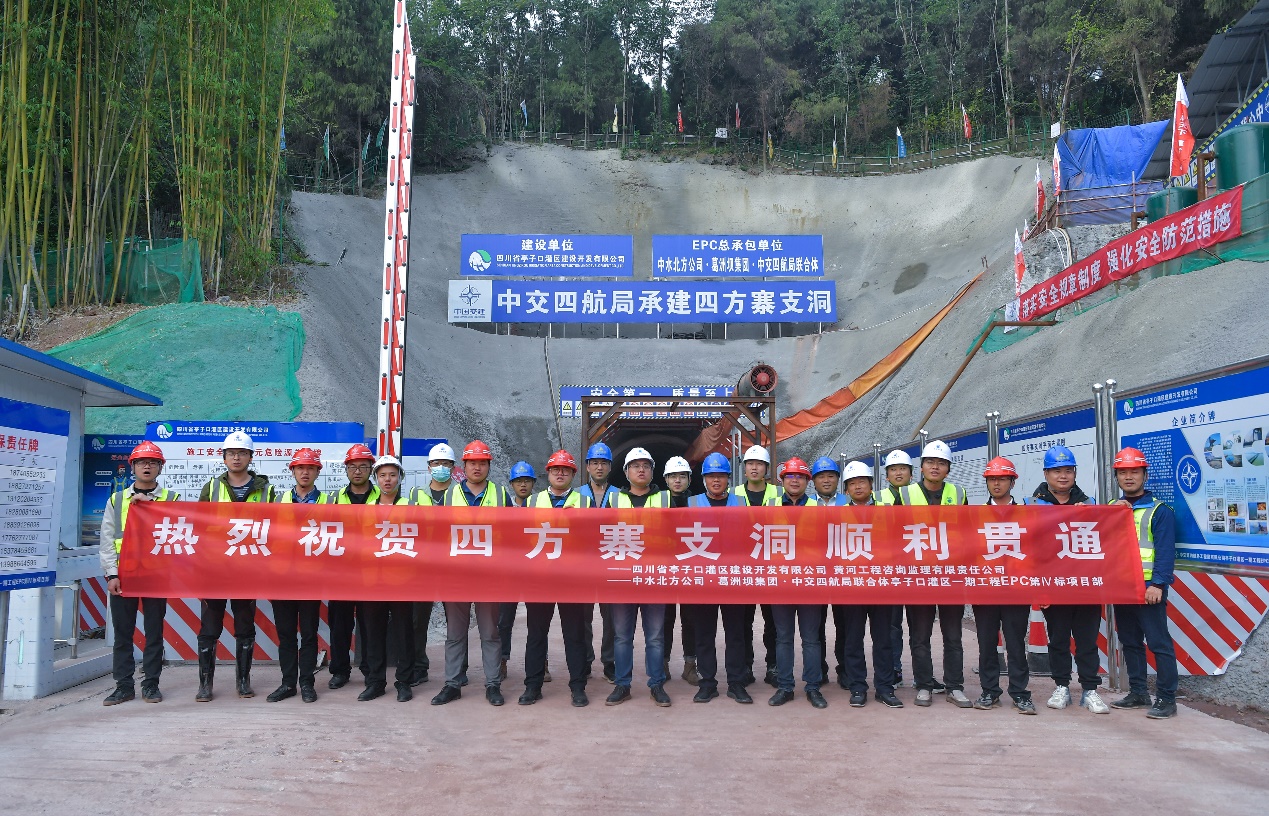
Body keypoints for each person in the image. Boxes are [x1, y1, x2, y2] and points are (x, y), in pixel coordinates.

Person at [195, 431, 276, 702]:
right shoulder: (211, 488)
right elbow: (199, 527)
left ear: (250, 457)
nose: (236, 457)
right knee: (209, 628)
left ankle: (243, 681)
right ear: (224, 458)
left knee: (245, 626)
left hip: (248, 570)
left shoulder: (267, 490)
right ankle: (205, 684)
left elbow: (276, 529)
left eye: (242, 453)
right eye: (231, 453)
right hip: (215, 570)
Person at [432, 440, 513, 707]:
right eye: (472, 463)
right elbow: (438, 536)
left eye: (482, 463)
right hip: (457, 576)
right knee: (455, 633)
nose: (477, 467)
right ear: (463, 466)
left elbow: (512, 535)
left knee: (490, 632)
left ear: (488, 466)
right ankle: (452, 684)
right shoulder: (448, 497)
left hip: (489, 576)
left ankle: (492, 684)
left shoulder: (501, 495)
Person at [99, 441, 181, 705]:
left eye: (153, 462)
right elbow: (107, 540)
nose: (147, 466)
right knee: (123, 634)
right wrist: (112, 575)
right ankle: (123, 686)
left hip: (156, 575)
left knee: (154, 632)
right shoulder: (117, 499)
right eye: (142, 462)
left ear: (160, 467)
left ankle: (151, 684)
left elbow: (180, 536)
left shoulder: (173, 499)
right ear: (132, 467)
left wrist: (151, 506)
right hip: (124, 576)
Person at [1030, 445, 1108, 714]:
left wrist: (1116, 510)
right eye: (1056, 471)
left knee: (1087, 640)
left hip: (1084, 585)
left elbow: (1105, 540)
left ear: (1074, 473)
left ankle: (1090, 689)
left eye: (1068, 470)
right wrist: (1039, 589)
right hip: (1053, 587)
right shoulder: (1032, 506)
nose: (1062, 476)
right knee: (1059, 639)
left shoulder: (1089, 504)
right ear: (1046, 474)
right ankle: (1061, 686)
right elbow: (1029, 550)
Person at [897, 439, 972, 709]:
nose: (935, 467)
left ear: (948, 468)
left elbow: (967, 532)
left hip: (950, 576)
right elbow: (894, 533)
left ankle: (955, 686)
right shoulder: (904, 495)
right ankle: (924, 685)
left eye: (941, 463)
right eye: (930, 462)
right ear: (921, 467)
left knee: (953, 636)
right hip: (918, 576)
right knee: (920, 636)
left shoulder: (959, 493)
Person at [1109, 447, 1180, 719]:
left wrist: (1158, 584)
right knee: (1130, 641)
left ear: (1144, 475)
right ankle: (1139, 692)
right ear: (1116, 477)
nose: (1129, 477)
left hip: (1149, 586)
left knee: (1158, 642)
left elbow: (1165, 551)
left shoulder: (1160, 511)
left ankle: (1166, 698)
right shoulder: (1112, 508)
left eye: (1134, 472)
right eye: (1123, 472)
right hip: (1122, 586)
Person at [519, 450, 593, 707]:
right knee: (536, 635)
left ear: (573, 474)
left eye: (565, 470)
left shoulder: (585, 503)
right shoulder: (532, 502)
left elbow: (593, 539)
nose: (560, 473)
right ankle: (533, 686)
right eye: (555, 469)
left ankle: (578, 687)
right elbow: (519, 538)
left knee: (575, 635)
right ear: (548, 473)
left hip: (572, 579)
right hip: (539, 579)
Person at [606, 447, 672, 707]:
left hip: (654, 578)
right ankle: (622, 684)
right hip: (623, 579)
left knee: (655, 637)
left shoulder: (666, 498)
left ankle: (656, 684)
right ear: (626, 472)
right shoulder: (613, 500)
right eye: (635, 465)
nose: (641, 469)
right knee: (622, 637)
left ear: (653, 471)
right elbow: (599, 534)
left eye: (646, 465)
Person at [835, 461, 903, 709]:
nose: (858, 487)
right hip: (852, 586)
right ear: (846, 489)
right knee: (853, 639)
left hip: (881, 585)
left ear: (871, 484)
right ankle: (857, 687)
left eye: (862, 482)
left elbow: (898, 542)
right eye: (852, 483)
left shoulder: (887, 510)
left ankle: (885, 688)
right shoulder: (838, 513)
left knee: (883, 639)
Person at [686, 452, 751, 705]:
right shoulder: (692, 504)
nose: (716, 480)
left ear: (728, 479)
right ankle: (707, 684)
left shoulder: (741, 503)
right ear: (704, 479)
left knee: (736, 634)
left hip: (732, 579)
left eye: (721, 476)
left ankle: (736, 683)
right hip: (703, 581)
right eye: (711, 476)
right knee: (704, 634)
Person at [971, 457, 1035, 714]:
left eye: (1002, 479)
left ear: (1012, 482)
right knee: (987, 643)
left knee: (1016, 643)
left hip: (1016, 589)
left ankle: (1020, 693)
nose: (996, 484)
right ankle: (989, 691)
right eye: (992, 479)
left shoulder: (1026, 513)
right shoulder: (975, 515)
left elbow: (1036, 549)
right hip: (985, 589)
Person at [267, 448, 329, 704]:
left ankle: (307, 683)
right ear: (292, 471)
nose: (305, 472)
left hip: (310, 578)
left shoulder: (329, 502)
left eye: (310, 468)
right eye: (300, 468)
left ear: (317, 472)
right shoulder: (277, 501)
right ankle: (287, 683)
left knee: (309, 634)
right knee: (286, 634)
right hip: (282, 578)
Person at [768, 458, 828, 708]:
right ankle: (785, 687)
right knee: (783, 638)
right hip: (781, 582)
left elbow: (827, 543)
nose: (795, 480)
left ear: (807, 481)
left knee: (811, 639)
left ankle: (813, 687)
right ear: (782, 481)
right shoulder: (770, 506)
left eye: (800, 477)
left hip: (809, 583)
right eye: (790, 476)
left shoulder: (818, 507)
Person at [358, 455, 415, 702]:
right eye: (382, 475)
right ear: (376, 479)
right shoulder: (366, 510)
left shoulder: (409, 507)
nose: (387, 480)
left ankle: (404, 681)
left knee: (404, 632)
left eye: (392, 475)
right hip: (373, 581)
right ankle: (376, 681)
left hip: (402, 581)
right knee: (373, 632)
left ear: (399, 478)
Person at [406, 442, 457, 688]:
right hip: (423, 568)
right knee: (418, 621)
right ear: (429, 467)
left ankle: (458, 670)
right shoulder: (415, 495)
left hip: (452, 566)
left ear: (453, 468)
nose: (441, 468)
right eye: (437, 463)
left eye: (446, 464)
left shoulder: (461, 495)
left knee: (456, 622)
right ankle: (419, 667)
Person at [327, 443, 378, 691]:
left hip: (371, 572)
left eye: (363, 467)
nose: (357, 471)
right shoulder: (334, 499)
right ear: (346, 470)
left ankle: (370, 669)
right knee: (340, 625)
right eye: (352, 467)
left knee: (370, 625)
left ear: (371, 469)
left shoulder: (382, 499)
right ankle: (339, 670)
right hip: (342, 573)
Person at [734, 445, 781, 687]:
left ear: (766, 468)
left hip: (771, 567)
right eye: (750, 464)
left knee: (773, 622)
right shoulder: (733, 494)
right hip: (743, 568)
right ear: (744, 469)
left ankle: (774, 667)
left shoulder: (779, 494)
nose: (754, 468)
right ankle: (745, 667)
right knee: (743, 622)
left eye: (759, 464)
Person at [578, 442, 620, 683]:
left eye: (603, 463)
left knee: (611, 618)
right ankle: (585, 660)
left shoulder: (620, 496)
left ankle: (609, 662)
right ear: (587, 466)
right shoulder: (576, 495)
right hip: (584, 567)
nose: (599, 467)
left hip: (609, 565)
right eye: (595, 463)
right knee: (582, 617)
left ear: (610, 467)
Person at [810, 456, 847, 684]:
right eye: (821, 476)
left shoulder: (848, 502)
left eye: (830, 476)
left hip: (843, 574)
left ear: (838, 479)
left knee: (844, 625)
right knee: (816, 626)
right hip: (816, 574)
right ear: (813, 481)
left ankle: (844, 670)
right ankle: (820, 669)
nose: (826, 480)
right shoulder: (806, 505)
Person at [879, 449, 915, 688]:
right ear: (887, 475)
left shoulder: (918, 495)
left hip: (915, 569)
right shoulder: (877, 497)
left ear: (911, 473)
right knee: (891, 625)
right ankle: (893, 669)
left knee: (918, 627)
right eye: (893, 469)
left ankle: (922, 674)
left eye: (902, 469)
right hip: (888, 570)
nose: (898, 473)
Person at [662, 455, 699, 686]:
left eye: (682, 476)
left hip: (690, 570)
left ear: (689, 479)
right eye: (673, 476)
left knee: (690, 620)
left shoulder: (698, 503)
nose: (678, 480)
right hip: (665, 570)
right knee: (665, 620)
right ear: (666, 479)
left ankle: (690, 666)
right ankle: (663, 664)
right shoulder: (657, 502)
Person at [501, 460, 538, 681]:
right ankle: (502, 661)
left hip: (534, 572)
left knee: (537, 622)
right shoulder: (504, 507)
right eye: (518, 481)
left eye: (526, 481)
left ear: (533, 483)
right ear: (512, 484)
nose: (523, 485)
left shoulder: (541, 505)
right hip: (509, 572)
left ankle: (540, 663)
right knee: (504, 620)